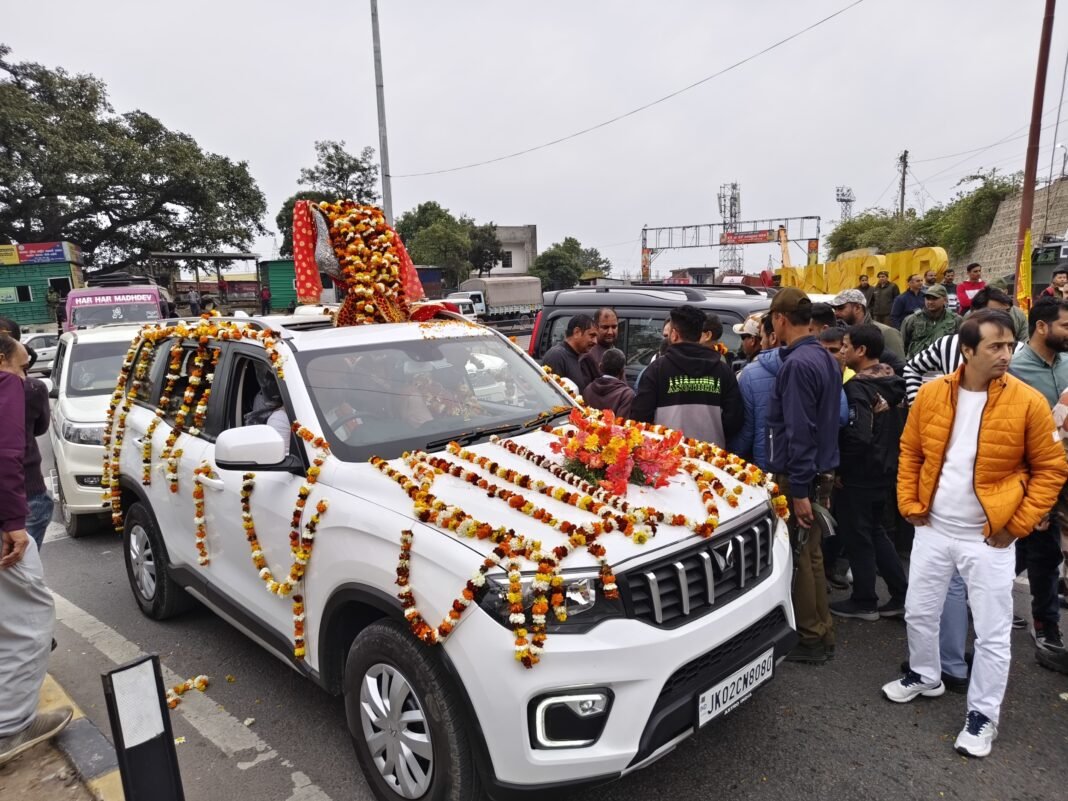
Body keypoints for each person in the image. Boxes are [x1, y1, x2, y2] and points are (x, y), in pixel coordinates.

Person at [884, 310, 1067, 758]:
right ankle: (925, 674)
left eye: (1009, 345)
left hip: (989, 538)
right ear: (967, 350)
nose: (1006, 354)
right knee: (919, 613)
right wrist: (910, 504)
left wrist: (1018, 524)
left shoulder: (1026, 401)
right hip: (932, 528)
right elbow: (910, 451)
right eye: (995, 347)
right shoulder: (932, 393)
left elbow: (1051, 468)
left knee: (991, 633)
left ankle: (983, 714)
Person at [0, 333, 73, 766]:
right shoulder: (8, 384)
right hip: (7, 518)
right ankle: (10, 727)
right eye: (21, 364)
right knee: (29, 622)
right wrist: (11, 523)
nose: (25, 375)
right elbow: (6, 454)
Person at [765, 288, 841, 664]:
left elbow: (798, 430)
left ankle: (809, 636)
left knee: (799, 554)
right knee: (812, 554)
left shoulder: (796, 365)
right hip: (820, 469)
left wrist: (796, 489)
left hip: (800, 473)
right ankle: (822, 630)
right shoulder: (824, 357)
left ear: (779, 319)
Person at [829, 325, 909, 621]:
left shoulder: (857, 387)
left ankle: (865, 600)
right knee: (876, 531)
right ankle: (900, 593)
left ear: (861, 351)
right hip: (888, 468)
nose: (843, 351)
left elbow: (858, 435)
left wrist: (842, 467)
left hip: (861, 472)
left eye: (846, 346)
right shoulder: (895, 381)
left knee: (857, 535)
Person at [1008, 297, 1068, 671]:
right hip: (1029, 478)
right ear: (1042, 327)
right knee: (1028, 550)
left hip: (1064, 476)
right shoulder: (1014, 371)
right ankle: (1043, 628)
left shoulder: (1067, 365)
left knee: (1044, 555)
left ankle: (1047, 627)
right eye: (1065, 325)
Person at [631, 304, 742, 447]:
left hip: (668, 458)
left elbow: (640, 417)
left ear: (674, 334)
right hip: (711, 459)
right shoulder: (723, 371)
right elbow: (734, 420)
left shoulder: (656, 370)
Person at [902, 287, 1018, 404]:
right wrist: (916, 404)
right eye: (997, 313)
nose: (1005, 319)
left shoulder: (1018, 349)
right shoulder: (947, 344)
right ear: (976, 313)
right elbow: (911, 369)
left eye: (1007, 312)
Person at [730, 314, 778, 470]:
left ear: (753, 340)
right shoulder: (814, 364)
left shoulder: (748, 374)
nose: (742, 343)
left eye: (744, 337)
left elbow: (746, 427)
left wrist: (733, 456)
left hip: (763, 463)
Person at [830, 288, 906, 363]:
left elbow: (899, 367)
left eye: (840, 308)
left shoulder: (887, 333)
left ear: (857, 308)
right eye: (834, 309)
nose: (836, 313)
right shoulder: (838, 333)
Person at [901, 284, 962, 358]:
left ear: (945, 300)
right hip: (917, 365)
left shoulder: (956, 320)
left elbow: (961, 345)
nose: (930, 302)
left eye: (934, 298)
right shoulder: (911, 320)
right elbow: (902, 346)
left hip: (944, 363)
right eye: (928, 298)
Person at [541, 314, 596, 392]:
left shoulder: (579, 356)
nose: (595, 341)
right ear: (577, 332)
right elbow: (553, 395)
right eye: (592, 335)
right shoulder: (557, 356)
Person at [582, 348, 635, 419]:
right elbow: (621, 425)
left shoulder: (588, 389)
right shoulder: (626, 394)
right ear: (622, 371)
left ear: (600, 367)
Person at [579, 308, 619, 387]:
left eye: (614, 327)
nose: (610, 332)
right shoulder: (588, 355)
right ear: (596, 327)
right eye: (605, 327)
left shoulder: (614, 351)